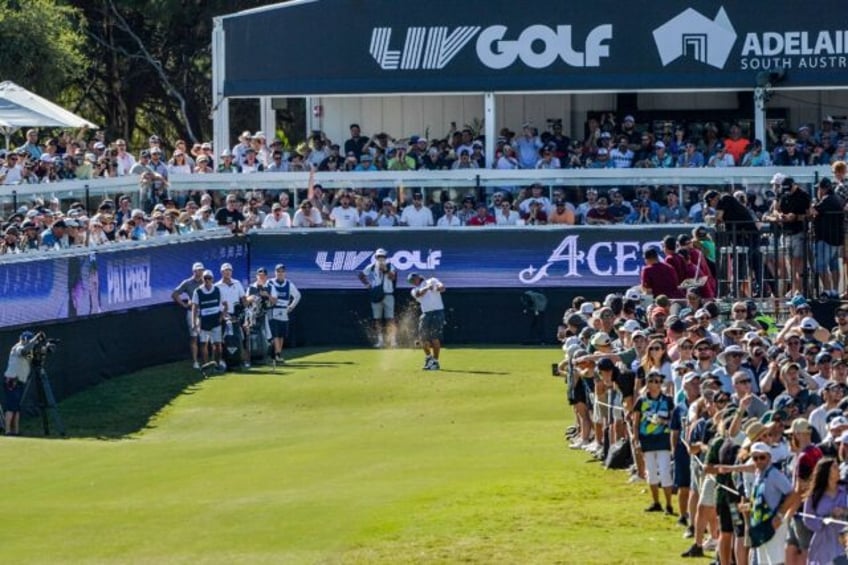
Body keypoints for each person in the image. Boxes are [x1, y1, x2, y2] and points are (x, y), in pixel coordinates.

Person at [802, 457, 848, 565]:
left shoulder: (845, 490)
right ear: (827, 472)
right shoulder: (814, 496)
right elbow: (807, 519)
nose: (839, 469)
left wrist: (844, 511)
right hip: (823, 544)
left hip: (844, 542)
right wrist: (825, 520)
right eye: (835, 467)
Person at [358, 248, 398, 348]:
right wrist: (367, 285)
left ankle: (393, 341)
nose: (381, 258)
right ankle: (380, 341)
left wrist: (385, 270)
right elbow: (361, 275)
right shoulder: (371, 266)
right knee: (377, 319)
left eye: (383, 256)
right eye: (379, 257)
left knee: (390, 319)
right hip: (376, 294)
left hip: (388, 294)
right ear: (376, 257)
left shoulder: (390, 265)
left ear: (385, 257)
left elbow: (392, 277)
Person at [3, 330, 40, 435]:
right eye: (29, 340)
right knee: (11, 406)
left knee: (17, 407)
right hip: (12, 380)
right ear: (24, 339)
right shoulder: (17, 347)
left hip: (19, 381)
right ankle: (8, 431)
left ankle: (16, 431)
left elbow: (31, 359)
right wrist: (35, 339)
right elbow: (24, 351)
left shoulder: (28, 352)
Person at [408, 272, 446, 370]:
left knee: (434, 338)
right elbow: (419, 294)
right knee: (422, 339)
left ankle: (436, 362)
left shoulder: (432, 280)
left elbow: (442, 288)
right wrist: (427, 288)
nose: (414, 281)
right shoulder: (414, 290)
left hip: (438, 312)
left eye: (414, 279)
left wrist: (436, 288)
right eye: (411, 281)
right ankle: (429, 358)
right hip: (426, 314)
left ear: (419, 277)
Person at [172, 262, 206, 369]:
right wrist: (184, 304)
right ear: (194, 271)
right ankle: (195, 362)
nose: (200, 272)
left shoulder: (206, 280)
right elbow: (174, 294)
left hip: (205, 312)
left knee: (205, 338)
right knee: (194, 337)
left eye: (201, 270)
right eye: (198, 270)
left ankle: (206, 361)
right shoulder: (187, 283)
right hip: (192, 313)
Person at [191, 270, 225, 371]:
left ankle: (217, 364)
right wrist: (194, 322)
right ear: (202, 279)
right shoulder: (198, 291)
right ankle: (206, 365)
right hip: (203, 321)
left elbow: (225, 304)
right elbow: (194, 307)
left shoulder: (218, 290)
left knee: (217, 344)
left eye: (209, 278)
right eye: (205, 278)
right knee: (203, 343)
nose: (207, 280)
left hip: (216, 321)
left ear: (212, 279)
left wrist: (221, 316)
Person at [216, 263, 248, 369]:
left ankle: (242, 361)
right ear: (221, 272)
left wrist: (246, 311)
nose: (228, 272)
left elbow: (243, 299)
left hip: (236, 316)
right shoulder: (217, 286)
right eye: (225, 270)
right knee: (222, 340)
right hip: (223, 316)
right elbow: (217, 303)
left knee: (240, 338)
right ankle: (223, 362)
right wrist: (222, 314)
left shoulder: (237, 283)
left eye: (229, 270)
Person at [267, 264, 301, 363]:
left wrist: (291, 307)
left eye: (282, 271)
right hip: (273, 311)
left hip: (283, 312)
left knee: (281, 335)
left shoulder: (289, 284)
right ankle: (277, 354)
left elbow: (297, 296)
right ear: (275, 272)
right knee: (275, 334)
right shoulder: (270, 283)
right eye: (278, 271)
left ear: (284, 273)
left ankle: (278, 353)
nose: (280, 273)